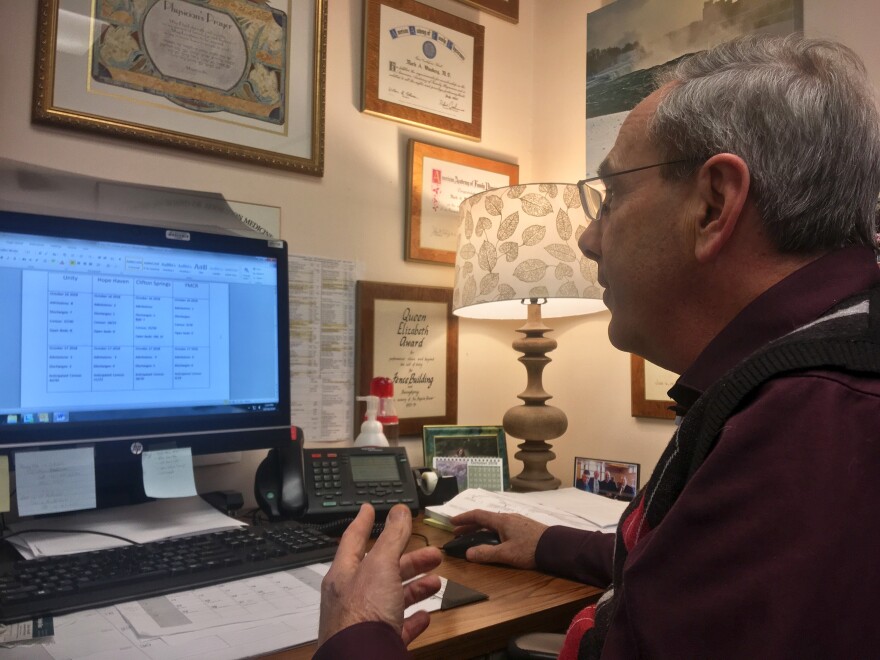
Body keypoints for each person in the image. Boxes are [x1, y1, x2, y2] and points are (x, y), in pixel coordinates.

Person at [315, 33, 880, 658]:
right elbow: (699, 562)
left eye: (610, 197)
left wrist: (356, 635)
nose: (587, 241)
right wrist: (551, 543)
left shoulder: (813, 424)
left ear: (714, 204)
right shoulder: (808, 377)